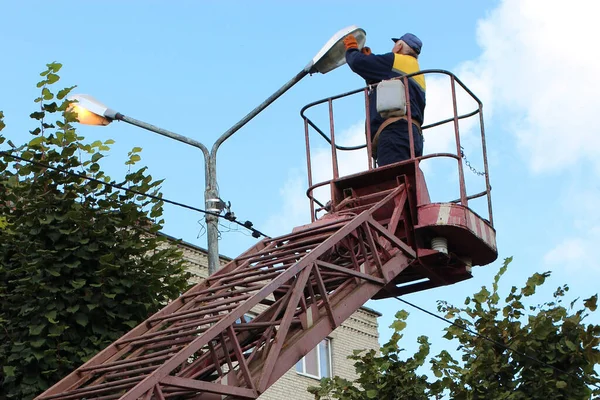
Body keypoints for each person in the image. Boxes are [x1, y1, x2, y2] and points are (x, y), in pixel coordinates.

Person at [343, 33, 426, 166]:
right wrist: (370, 58)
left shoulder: (397, 60)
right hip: (412, 137)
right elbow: (384, 80)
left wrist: (352, 48)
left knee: (392, 180)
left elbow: (358, 63)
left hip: (394, 134)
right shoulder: (416, 72)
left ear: (399, 46)